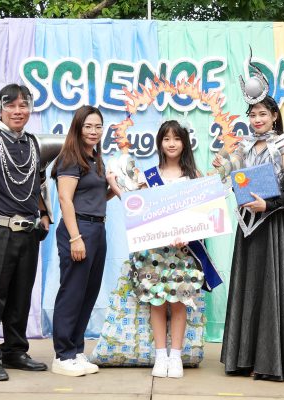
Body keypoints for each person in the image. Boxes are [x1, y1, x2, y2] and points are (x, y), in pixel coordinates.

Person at [109, 120, 218, 378]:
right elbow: (137, 210)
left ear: (184, 143)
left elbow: (203, 215)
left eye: (177, 139)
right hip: (154, 252)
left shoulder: (195, 176)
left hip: (183, 252)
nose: (171, 143)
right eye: (166, 139)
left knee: (179, 301)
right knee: (156, 301)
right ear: (159, 143)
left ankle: (175, 357)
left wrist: (187, 235)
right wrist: (116, 187)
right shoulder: (148, 177)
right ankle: (161, 356)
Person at [217, 94, 284, 381]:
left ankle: (270, 360)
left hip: (274, 223)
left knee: (271, 287)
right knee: (250, 286)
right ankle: (244, 357)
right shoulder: (243, 146)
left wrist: (268, 205)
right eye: (253, 114)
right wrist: (224, 166)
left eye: (263, 114)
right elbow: (235, 179)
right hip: (248, 225)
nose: (257, 119)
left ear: (274, 116)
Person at [0, 84, 51, 381]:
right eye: (11, 106)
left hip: (28, 231)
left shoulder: (34, 144)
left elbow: (38, 184)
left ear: (30, 109)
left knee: (20, 293)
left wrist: (44, 214)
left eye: (23, 105)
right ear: (0, 109)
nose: (18, 111)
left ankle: (14, 350)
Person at [50, 105, 115, 377]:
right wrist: (75, 238)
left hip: (97, 228)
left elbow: (97, 197)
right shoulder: (70, 158)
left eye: (98, 126)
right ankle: (62, 355)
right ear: (78, 128)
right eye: (88, 126)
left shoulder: (96, 158)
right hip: (78, 229)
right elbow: (65, 199)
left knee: (88, 292)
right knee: (73, 292)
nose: (93, 131)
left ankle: (76, 350)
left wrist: (116, 187)